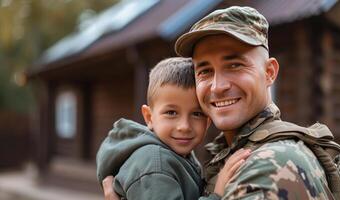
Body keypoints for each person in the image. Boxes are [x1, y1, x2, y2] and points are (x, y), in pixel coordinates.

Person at [103, 6, 334, 200]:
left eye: (234, 65)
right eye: (204, 71)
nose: (217, 86)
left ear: (269, 72)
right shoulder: (228, 153)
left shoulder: (270, 166)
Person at [96, 57, 251, 200]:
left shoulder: (177, 154)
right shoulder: (155, 165)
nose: (184, 126)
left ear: (208, 120)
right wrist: (217, 194)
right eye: (171, 112)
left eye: (197, 114)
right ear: (149, 117)